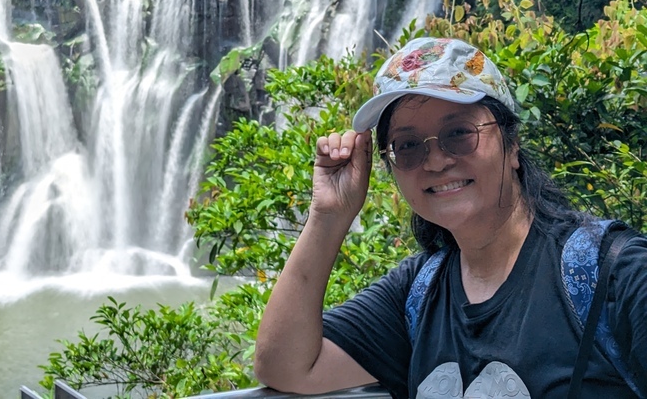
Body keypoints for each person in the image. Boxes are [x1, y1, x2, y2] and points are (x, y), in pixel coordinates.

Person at [254, 37, 647, 398]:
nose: (437, 160)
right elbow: (286, 367)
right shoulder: (419, 291)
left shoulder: (616, 274)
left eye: (459, 133)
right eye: (407, 146)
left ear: (511, 146)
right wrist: (328, 216)